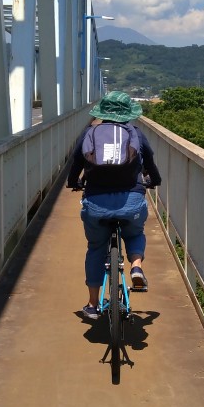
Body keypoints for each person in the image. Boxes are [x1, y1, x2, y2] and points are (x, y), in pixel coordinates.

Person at [66, 91, 162, 319]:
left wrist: (74, 183)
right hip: (131, 201)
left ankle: (91, 305)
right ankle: (136, 266)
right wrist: (154, 181)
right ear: (128, 115)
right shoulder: (135, 133)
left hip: (96, 203)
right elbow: (149, 162)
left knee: (96, 247)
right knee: (135, 232)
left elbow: (76, 163)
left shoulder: (90, 132)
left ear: (102, 114)